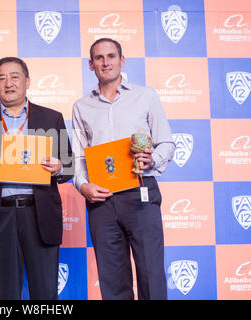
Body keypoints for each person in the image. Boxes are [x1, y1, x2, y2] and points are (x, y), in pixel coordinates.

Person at [0, 57, 73, 300]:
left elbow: (69, 167)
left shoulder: (51, 118)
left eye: (15, 76)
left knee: (45, 294)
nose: (8, 83)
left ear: (27, 81)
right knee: (5, 294)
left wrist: (59, 167)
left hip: (40, 214)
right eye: (1, 78)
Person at [72, 38, 175, 300]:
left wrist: (153, 160)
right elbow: (77, 158)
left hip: (140, 192)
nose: (105, 62)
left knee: (151, 275)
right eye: (99, 58)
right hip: (102, 200)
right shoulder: (81, 106)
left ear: (122, 60)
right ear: (91, 65)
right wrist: (82, 185)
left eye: (111, 56)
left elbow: (167, 143)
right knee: (112, 279)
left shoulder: (146, 95)